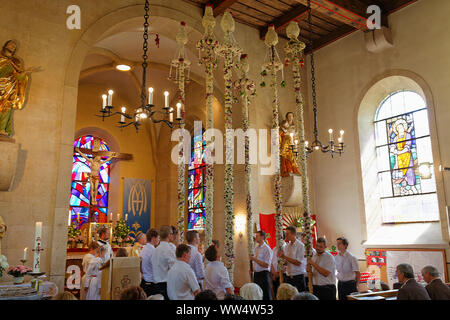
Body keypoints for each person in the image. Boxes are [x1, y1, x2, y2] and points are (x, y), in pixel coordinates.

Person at [278, 226, 306, 292]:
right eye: (285, 234)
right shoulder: (287, 246)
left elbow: (298, 262)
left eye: (287, 234)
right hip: (288, 276)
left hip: (298, 277)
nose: (286, 235)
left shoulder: (300, 246)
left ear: (293, 234)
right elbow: (287, 262)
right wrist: (282, 262)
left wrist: (284, 257)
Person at [151, 225, 176, 299]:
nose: (173, 236)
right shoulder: (168, 249)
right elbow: (174, 268)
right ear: (169, 235)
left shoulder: (156, 249)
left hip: (156, 284)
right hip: (165, 285)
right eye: (172, 233)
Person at [250, 230, 273, 300]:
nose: (255, 237)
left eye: (257, 236)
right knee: (257, 294)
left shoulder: (267, 249)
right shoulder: (256, 248)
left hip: (263, 274)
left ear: (262, 237)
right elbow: (255, 261)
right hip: (256, 274)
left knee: (265, 294)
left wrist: (254, 259)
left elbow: (267, 265)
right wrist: (252, 269)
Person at [140, 228, 160, 297]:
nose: (159, 240)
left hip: (144, 282)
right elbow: (157, 268)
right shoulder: (154, 251)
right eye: (158, 238)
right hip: (151, 284)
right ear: (153, 238)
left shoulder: (143, 249)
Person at [271, 231, 286, 297]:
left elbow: (287, 263)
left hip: (284, 275)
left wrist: (280, 272)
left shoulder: (286, 248)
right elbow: (271, 262)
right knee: (276, 293)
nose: (276, 238)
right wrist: (274, 273)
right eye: (276, 237)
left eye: (278, 237)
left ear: (283, 238)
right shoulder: (274, 249)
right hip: (275, 275)